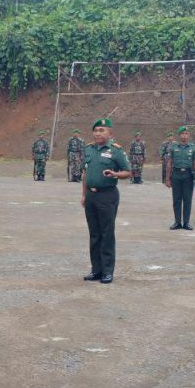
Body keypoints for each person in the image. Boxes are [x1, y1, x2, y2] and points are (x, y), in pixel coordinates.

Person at [81, 118, 131, 284]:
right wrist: (84, 195)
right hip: (91, 196)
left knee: (107, 234)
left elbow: (128, 172)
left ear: (110, 133)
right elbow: (85, 174)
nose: (98, 133)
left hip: (107, 195)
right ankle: (96, 270)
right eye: (95, 130)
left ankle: (107, 272)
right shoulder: (88, 149)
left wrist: (115, 174)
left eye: (102, 130)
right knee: (94, 234)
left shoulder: (116, 151)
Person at [166, 126, 195, 230]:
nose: (184, 135)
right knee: (176, 199)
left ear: (188, 135)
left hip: (188, 175)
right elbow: (169, 163)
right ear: (179, 135)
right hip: (176, 174)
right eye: (182, 134)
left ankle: (186, 223)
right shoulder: (173, 147)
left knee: (187, 199)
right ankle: (177, 222)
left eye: (186, 134)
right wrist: (167, 179)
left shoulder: (193, 148)